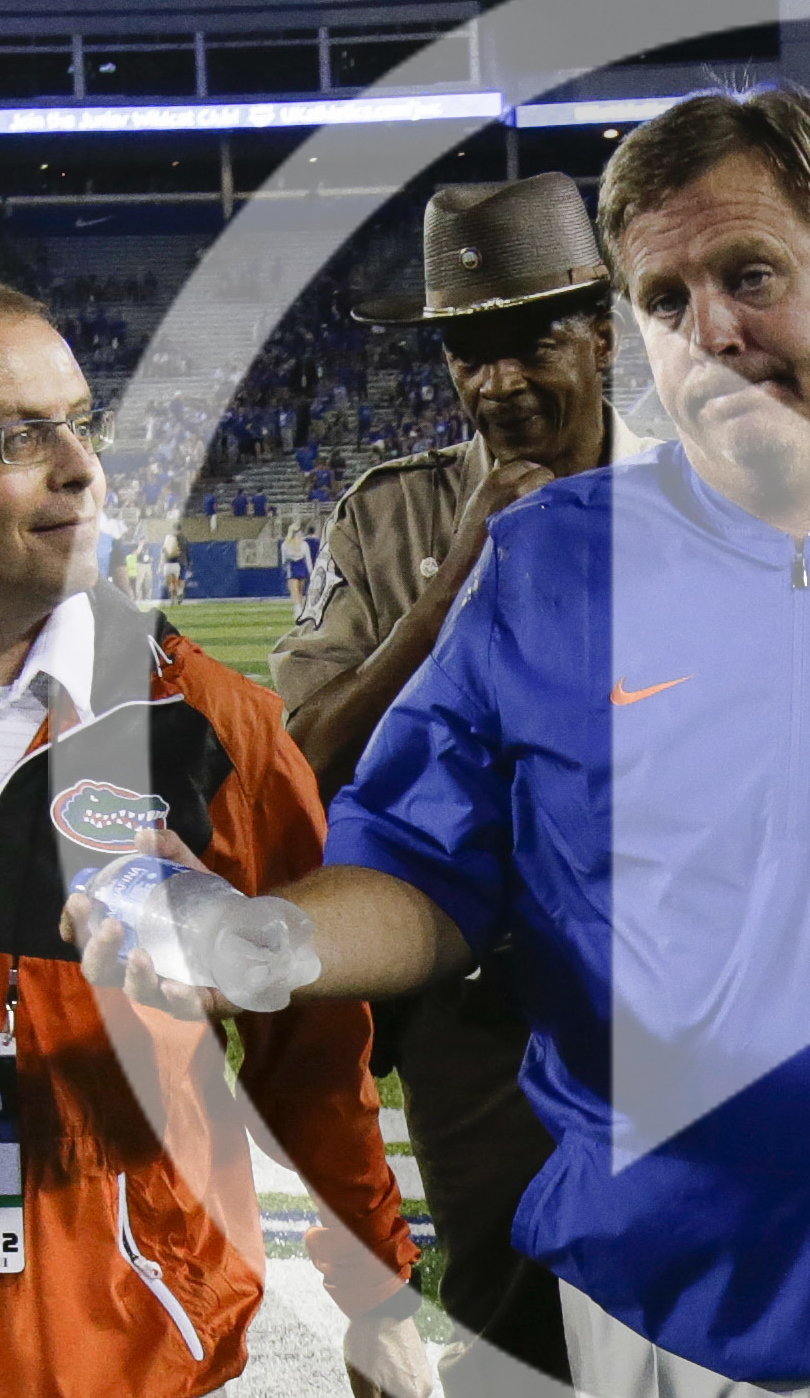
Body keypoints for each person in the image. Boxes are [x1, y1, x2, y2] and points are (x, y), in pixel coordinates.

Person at [75, 87, 810, 1398]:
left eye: (749, 273)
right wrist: (267, 937)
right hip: (656, 1323)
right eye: (664, 299)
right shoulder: (548, 568)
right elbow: (424, 870)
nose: (711, 333)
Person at [0, 287, 429, 1398]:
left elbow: (315, 1053)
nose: (81, 467)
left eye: (80, 424)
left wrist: (373, 1291)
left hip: (139, 1348)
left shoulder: (210, 729)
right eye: (16, 436)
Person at [268, 172, 649, 1398]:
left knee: (711, 1302)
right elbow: (301, 761)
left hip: (680, 979)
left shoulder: (707, 501)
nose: (495, 383)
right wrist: (447, 592)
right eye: (464, 353)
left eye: (529, 339)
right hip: (478, 996)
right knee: (508, 1304)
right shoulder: (391, 523)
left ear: (603, 330)